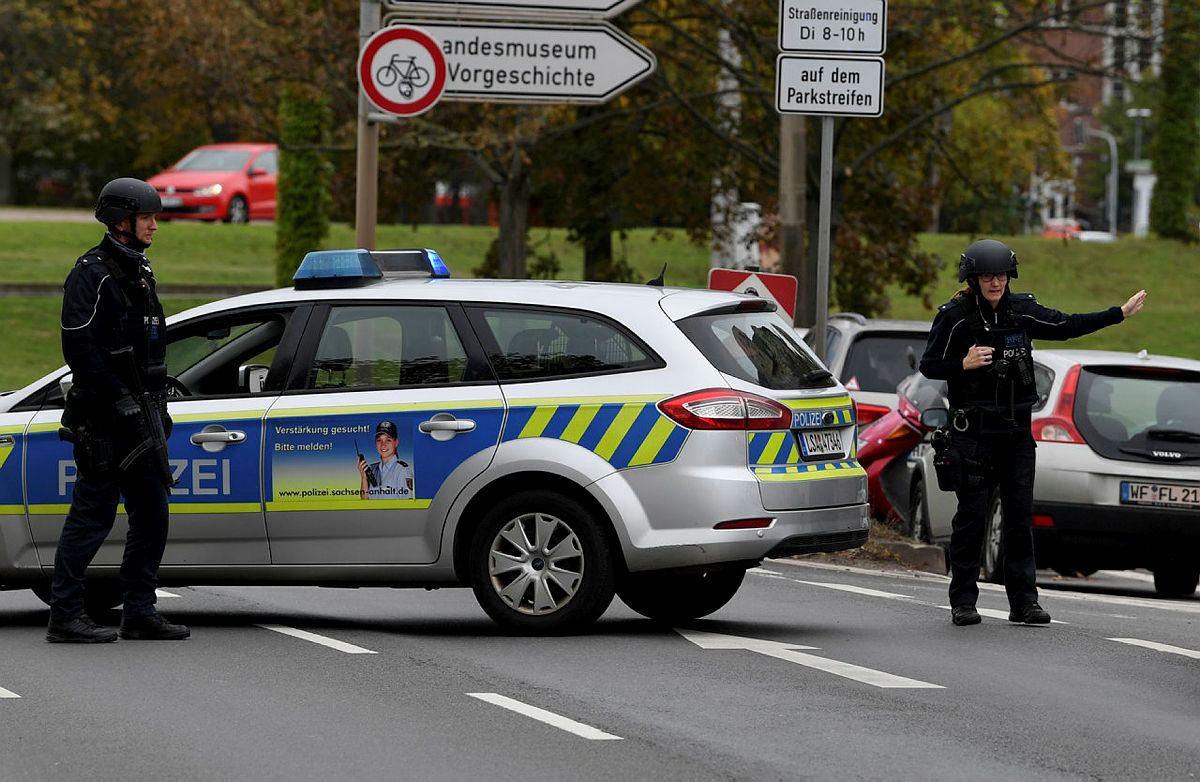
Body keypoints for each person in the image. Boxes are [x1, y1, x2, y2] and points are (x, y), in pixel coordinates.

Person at [919, 239, 1146, 627]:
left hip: (1015, 434)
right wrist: (964, 362)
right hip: (971, 435)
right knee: (971, 518)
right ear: (973, 279)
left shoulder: (1022, 311)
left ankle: (1024, 602)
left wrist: (1118, 314)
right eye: (988, 276)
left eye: (1002, 275)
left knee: (1019, 518)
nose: (996, 282)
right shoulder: (954, 316)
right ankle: (963, 601)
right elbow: (929, 365)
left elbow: (1067, 325)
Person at [46, 177, 189, 643]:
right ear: (122, 222)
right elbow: (79, 348)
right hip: (103, 419)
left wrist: (156, 397)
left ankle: (140, 611)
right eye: (148, 218)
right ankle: (65, 615)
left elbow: (148, 345)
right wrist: (117, 397)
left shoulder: (140, 271)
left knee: (152, 512)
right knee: (93, 516)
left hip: (141, 416)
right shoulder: (92, 272)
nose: (155, 226)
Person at [358, 421, 414, 500]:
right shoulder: (372, 469)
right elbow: (365, 501)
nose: (383, 445)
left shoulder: (402, 471)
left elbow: (408, 505)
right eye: (379, 440)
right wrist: (364, 477)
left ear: (396, 442)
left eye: (388, 440)